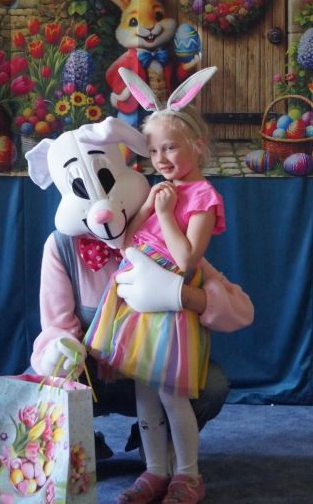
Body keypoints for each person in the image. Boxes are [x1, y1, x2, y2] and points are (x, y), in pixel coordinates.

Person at [23, 115, 253, 493]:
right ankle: (91, 445)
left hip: (158, 342)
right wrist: (62, 350)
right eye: (156, 150)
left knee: (204, 387)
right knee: (47, 377)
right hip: (99, 370)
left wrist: (180, 294)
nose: (101, 208)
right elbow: (56, 324)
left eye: (170, 147)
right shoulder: (63, 246)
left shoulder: (165, 222)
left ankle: (179, 466)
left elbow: (238, 308)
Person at [84, 101, 221, 504]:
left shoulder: (203, 196)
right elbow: (126, 243)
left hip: (168, 307)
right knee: (144, 393)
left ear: (197, 145)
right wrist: (148, 207)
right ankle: (155, 470)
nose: (161, 158)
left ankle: (188, 475)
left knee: (172, 396)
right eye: (154, 150)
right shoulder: (159, 191)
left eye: (171, 148)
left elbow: (186, 260)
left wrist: (163, 214)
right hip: (135, 304)